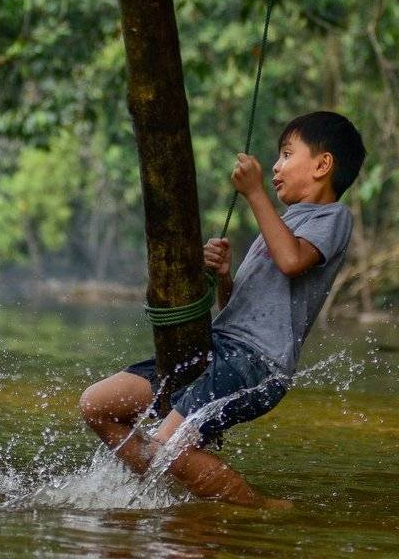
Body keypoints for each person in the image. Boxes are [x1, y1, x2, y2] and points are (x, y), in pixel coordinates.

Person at [78, 110, 366, 507]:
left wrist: (254, 193)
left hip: (255, 363)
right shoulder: (282, 224)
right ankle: (167, 493)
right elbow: (236, 309)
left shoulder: (332, 217)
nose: (276, 166)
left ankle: (262, 509)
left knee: (169, 446)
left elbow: (291, 261)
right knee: (98, 405)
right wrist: (226, 277)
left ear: (322, 165)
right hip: (217, 349)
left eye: (286, 154)